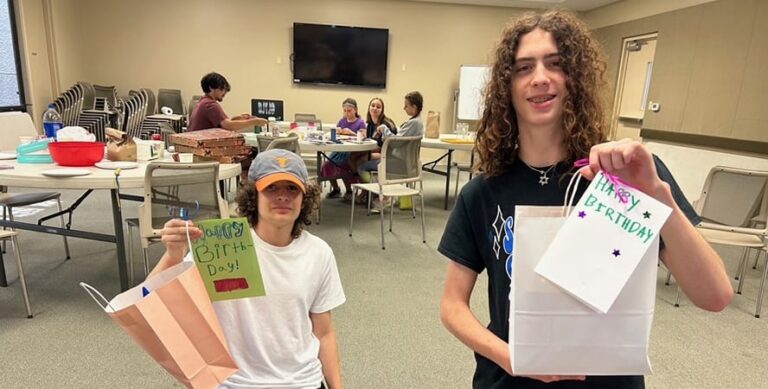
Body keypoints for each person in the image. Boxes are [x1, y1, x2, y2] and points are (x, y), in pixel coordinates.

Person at [438, 10, 733, 389]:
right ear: (506, 87)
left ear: (575, 78)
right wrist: (509, 357)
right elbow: (451, 306)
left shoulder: (627, 177)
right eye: (524, 67)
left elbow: (716, 295)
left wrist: (658, 197)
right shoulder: (483, 193)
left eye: (556, 64)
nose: (540, 77)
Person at [149, 149, 345, 389]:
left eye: (292, 188)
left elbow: (324, 333)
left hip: (303, 382)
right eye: (272, 188)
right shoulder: (223, 245)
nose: (283, 196)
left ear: (305, 198)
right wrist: (173, 255)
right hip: (237, 383)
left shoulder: (318, 252)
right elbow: (150, 304)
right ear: (254, 195)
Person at [356, 92, 425, 211]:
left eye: (406, 106)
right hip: (408, 163)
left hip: (400, 164)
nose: (404, 108)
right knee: (365, 162)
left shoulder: (413, 123)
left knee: (362, 167)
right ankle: (378, 194)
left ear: (414, 107)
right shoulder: (418, 122)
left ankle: (384, 194)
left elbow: (395, 142)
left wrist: (384, 129)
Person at [187, 72, 269, 132]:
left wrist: (238, 119)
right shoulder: (210, 105)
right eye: (222, 89)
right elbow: (229, 126)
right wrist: (255, 121)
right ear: (211, 87)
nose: (224, 93)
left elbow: (223, 123)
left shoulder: (203, 102)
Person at [320, 98, 367, 201]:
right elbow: (335, 135)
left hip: (351, 152)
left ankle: (348, 189)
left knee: (344, 167)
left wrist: (352, 133)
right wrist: (336, 132)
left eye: (349, 111)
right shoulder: (342, 121)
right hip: (339, 150)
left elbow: (363, 137)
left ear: (355, 110)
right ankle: (336, 188)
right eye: (345, 111)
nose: (347, 113)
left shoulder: (360, 122)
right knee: (327, 165)